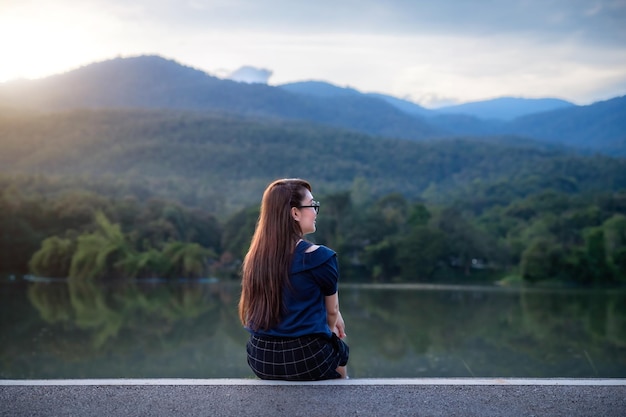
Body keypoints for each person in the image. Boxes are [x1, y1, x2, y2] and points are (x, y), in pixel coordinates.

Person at [238, 178, 349, 380]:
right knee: (340, 349)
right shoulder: (320, 257)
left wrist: (335, 314)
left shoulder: (255, 259)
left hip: (261, 359)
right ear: (295, 213)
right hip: (307, 359)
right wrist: (333, 328)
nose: (315, 212)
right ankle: (342, 401)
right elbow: (331, 314)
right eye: (312, 205)